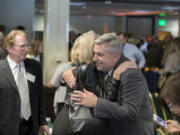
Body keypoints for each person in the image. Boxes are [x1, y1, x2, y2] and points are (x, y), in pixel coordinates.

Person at [70, 33, 155, 135]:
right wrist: (66, 74)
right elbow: (82, 69)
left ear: (115, 57)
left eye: (100, 55)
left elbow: (130, 112)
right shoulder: (105, 68)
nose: (94, 59)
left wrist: (97, 102)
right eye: (94, 53)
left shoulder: (130, 74)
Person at [0, 30, 49, 135]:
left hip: (31, 127)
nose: (27, 49)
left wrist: (42, 121)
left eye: (27, 45)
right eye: (22, 46)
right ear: (9, 48)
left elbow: (39, 95)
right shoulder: (1, 69)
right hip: (7, 128)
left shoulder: (35, 66)